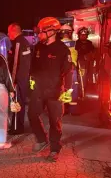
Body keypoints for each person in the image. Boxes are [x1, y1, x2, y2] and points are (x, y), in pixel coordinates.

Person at [28, 17, 73, 162]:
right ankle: (41, 139)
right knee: (32, 114)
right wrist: (32, 80)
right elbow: (33, 67)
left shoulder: (62, 50)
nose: (39, 35)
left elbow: (68, 72)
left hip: (55, 92)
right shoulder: (39, 47)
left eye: (41, 32)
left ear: (52, 32)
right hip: (39, 90)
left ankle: (54, 149)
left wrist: (68, 90)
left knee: (55, 122)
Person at [7, 23, 32, 135]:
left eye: (9, 32)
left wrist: (12, 82)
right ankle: (18, 126)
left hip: (19, 79)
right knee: (20, 102)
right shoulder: (25, 42)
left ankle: (17, 128)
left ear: (14, 31)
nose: (8, 34)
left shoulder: (17, 43)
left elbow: (16, 64)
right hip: (24, 77)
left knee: (17, 103)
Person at [59, 24, 81, 115]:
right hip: (72, 69)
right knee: (73, 89)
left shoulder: (57, 44)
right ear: (70, 33)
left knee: (61, 89)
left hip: (60, 70)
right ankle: (73, 110)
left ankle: (62, 110)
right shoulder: (75, 44)